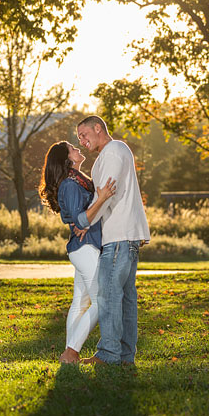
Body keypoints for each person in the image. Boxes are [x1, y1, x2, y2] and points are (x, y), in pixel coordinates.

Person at [75, 115, 150, 366]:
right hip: (124, 235)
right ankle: (125, 356)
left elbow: (105, 195)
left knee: (107, 295)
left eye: (84, 134)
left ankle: (108, 354)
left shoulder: (113, 151)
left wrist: (85, 223)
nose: (82, 140)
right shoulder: (111, 154)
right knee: (126, 297)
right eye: (79, 139)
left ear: (99, 128)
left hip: (119, 236)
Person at [39, 141, 116, 364]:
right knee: (101, 301)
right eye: (73, 148)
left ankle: (68, 354)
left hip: (85, 248)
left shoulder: (79, 182)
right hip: (85, 248)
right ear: (67, 159)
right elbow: (77, 218)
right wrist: (101, 198)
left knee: (80, 303)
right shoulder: (71, 185)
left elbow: (79, 217)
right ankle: (71, 351)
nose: (78, 149)